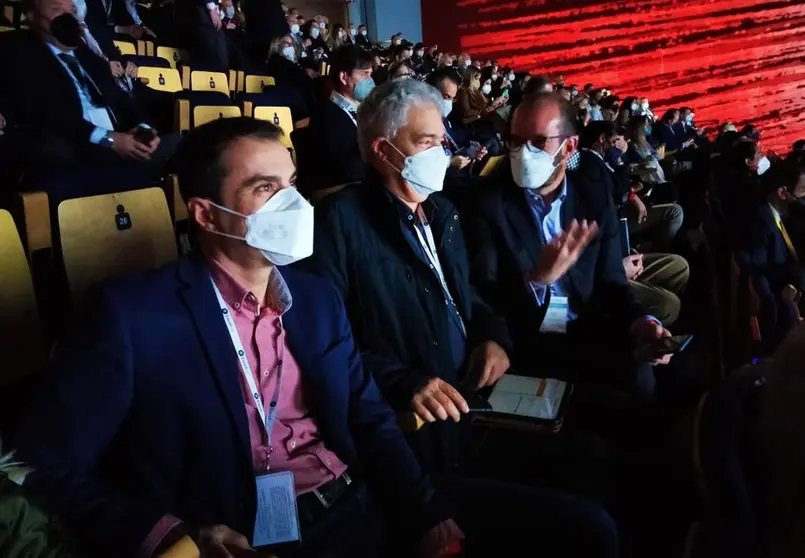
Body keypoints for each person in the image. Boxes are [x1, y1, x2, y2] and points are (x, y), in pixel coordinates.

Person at [12, 117, 461, 558]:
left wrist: (428, 513)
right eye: (266, 189)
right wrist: (169, 534)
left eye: (292, 184)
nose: (294, 205)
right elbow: (49, 463)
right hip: (234, 536)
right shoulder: (130, 316)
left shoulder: (317, 297)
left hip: (353, 506)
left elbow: (368, 415)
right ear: (207, 214)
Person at [302, 80, 618, 556]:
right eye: (426, 142)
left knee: (593, 457)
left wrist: (492, 338)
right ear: (384, 150)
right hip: (421, 431)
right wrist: (404, 382)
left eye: (441, 139)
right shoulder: (339, 224)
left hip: (473, 398)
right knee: (589, 529)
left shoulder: (443, 212)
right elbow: (327, 346)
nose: (442, 152)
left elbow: (467, 297)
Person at [467, 93, 675, 401]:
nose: (523, 153)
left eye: (539, 142)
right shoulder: (487, 203)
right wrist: (537, 280)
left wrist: (642, 322)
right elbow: (482, 294)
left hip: (587, 326)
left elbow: (612, 284)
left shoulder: (593, 197)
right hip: (527, 337)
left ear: (570, 147)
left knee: (644, 379)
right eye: (515, 141)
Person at [0, 0, 178, 194]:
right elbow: (45, 112)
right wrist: (109, 140)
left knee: (181, 146)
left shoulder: (87, 54)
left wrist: (144, 130)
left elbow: (122, 100)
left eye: (72, 10)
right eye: (56, 9)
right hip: (76, 145)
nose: (67, 16)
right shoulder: (15, 49)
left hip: (121, 139)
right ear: (31, 16)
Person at [738, 153, 805, 351]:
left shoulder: (778, 215)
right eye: (803, 191)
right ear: (783, 193)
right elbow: (758, 276)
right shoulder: (761, 223)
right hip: (785, 300)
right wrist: (787, 301)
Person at [305, 45, 374, 195]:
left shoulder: (364, 111)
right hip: (344, 192)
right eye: (365, 74)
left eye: (370, 74)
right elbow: (344, 169)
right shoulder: (326, 117)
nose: (370, 80)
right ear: (344, 77)